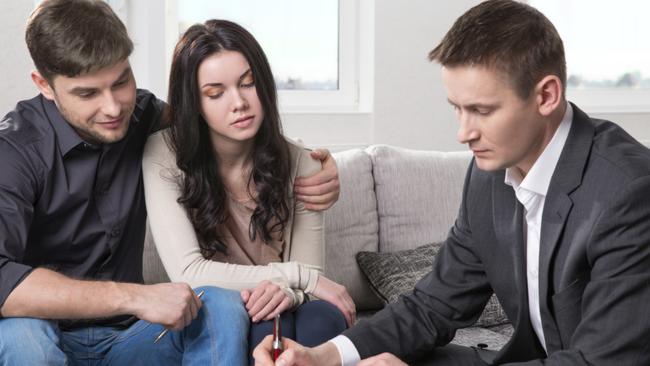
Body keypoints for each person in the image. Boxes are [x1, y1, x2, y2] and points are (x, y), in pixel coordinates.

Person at [253, 0, 650, 365]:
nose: (463, 133)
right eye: (457, 109)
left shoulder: (629, 190)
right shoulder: (489, 175)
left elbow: (603, 362)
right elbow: (432, 305)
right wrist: (322, 357)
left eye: (481, 110)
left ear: (546, 95)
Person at [0, 0, 340, 364]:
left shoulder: (145, 116)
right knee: (24, 335)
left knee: (221, 305)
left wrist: (319, 164)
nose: (113, 107)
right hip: (43, 332)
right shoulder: (15, 151)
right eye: (88, 93)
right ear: (44, 85)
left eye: (121, 82)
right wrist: (137, 297)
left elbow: (219, 125)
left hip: (130, 338)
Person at [141, 19, 353, 363]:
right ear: (194, 102)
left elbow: (312, 275)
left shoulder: (303, 163)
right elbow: (189, 272)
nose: (238, 102)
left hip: (288, 304)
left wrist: (289, 291)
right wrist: (298, 278)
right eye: (216, 93)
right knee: (256, 323)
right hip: (221, 309)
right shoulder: (163, 155)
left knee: (323, 317)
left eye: (248, 84)